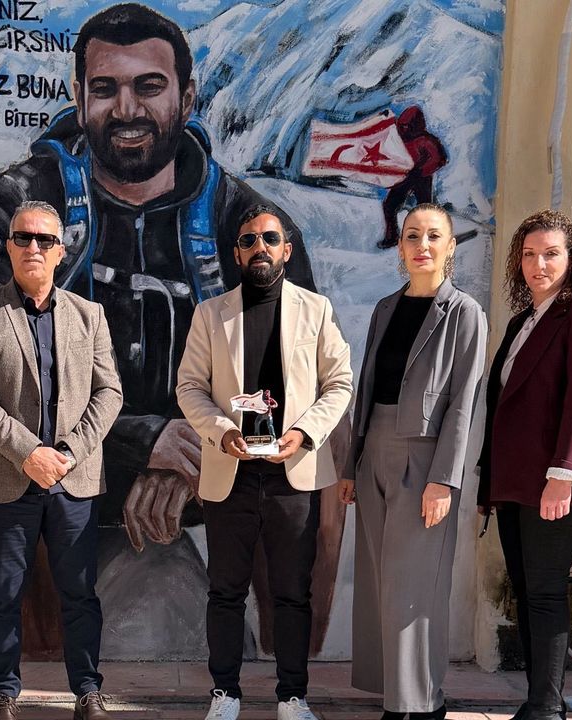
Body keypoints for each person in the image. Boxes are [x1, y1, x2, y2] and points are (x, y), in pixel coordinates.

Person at [0, 3, 317, 559]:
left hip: (202, 491)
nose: (126, 109)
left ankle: (289, 617)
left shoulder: (250, 226)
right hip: (44, 482)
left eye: (149, 86)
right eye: (105, 89)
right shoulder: (7, 210)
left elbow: (293, 372)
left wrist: (193, 451)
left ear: (186, 99)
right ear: (78, 97)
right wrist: (144, 443)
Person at [176, 205, 353, 720]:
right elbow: (190, 387)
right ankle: (225, 694)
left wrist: (304, 433)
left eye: (270, 239)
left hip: (292, 475)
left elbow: (339, 383)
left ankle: (292, 697)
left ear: (286, 250)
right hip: (229, 472)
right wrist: (221, 431)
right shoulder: (211, 314)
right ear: (236, 253)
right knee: (225, 591)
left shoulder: (316, 309)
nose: (260, 247)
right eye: (249, 240)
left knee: (293, 593)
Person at [0, 201, 124, 720]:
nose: (33, 247)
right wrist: (28, 453)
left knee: (80, 594)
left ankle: (88, 691)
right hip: (6, 478)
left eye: (44, 240)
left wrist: (68, 453)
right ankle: (3, 693)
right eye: (23, 238)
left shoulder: (89, 315)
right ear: (8, 246)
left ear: (60, 251)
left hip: (74, 481)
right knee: (3, 595)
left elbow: (109, 393)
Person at [339, 203, 486, 720]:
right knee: (381, 581)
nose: (422, 245)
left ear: (450, 246)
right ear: (400, 247)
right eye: (412, 236)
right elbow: (366, 388)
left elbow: (463, 403)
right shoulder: (385, 308)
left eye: (433, 236)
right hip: (374, 454)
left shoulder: (464, 313)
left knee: (415, 583)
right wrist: (351, 465)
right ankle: (395, 695)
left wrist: (444, 479)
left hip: (424, 460)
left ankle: (420, 702)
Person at [477, 210, 572, 720]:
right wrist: (488, 487)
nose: (539, 265)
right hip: (515, 484)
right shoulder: (522, 321)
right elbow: (501, 408)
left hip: (557, 483)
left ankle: (546, 709)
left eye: (552, 254)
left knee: (546, 593)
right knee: (527, 593)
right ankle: (540, 702)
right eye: (529, 255)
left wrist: (566, 474)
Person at [379, 107, 448, 249]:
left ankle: (429, 237)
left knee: (424, 209)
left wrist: (422, 170)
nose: (404, 129)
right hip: (404, 177)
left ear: (415, 125)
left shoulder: (426, 141)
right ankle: (392, 236)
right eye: (402, 126)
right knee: (390, 205)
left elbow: (440, 159)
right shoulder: (397, 138)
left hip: (421, 178)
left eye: (407, 126)